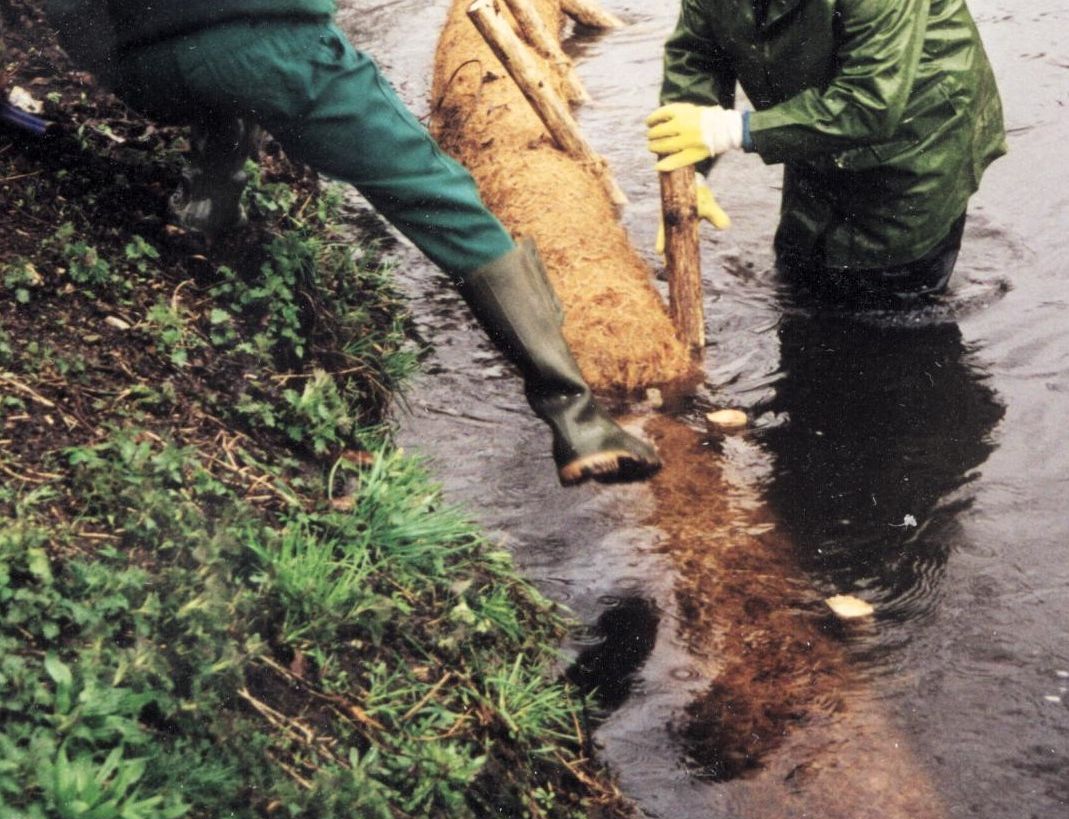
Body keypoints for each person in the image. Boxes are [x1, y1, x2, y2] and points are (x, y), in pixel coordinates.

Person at [39, 0, 661, 486]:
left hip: (145, 71)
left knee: (223, 89)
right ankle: (578, 419)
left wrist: (116, 68)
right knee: (436, 192)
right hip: (270, 42)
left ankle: (206, 212)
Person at [645, 0, 1007, 305]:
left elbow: (871, 103)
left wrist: (733, 130)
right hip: (814, 117)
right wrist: (690, 173)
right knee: (800, 271)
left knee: (889, 297)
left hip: (918, 136)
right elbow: (696, 58)